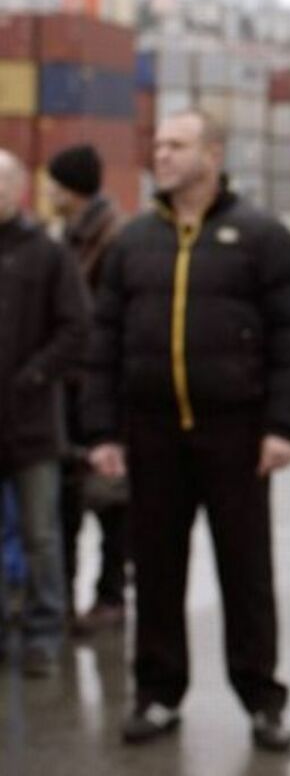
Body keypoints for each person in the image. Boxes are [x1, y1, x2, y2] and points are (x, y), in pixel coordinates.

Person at [83, 109, 290, 752]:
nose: (161, 154)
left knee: (246, 572)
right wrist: (102, 431)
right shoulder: (133, 243)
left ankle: (262, 699)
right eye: (158, 144)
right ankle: (158, 693)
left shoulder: (263, 237)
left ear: (212, 154)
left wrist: (283, 426)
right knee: (156, 570)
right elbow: (103, 344)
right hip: (152, 433)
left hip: (236, 434)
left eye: (176, 145)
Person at [0, 149, 90, 678]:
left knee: (41, 535)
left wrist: (34, 375)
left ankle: (43, 633)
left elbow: (77, 327)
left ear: (19, 190)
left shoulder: (48, 255)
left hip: (32, 423)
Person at [46, 143, 130, 636]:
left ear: (70, 189)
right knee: (66, 499)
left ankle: (110, 597)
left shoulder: (113, 239)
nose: (48, 192)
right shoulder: (69, 236)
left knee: (111, 496)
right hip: (69, 385)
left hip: (100, 384)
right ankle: (65, 600)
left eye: (54, 184)